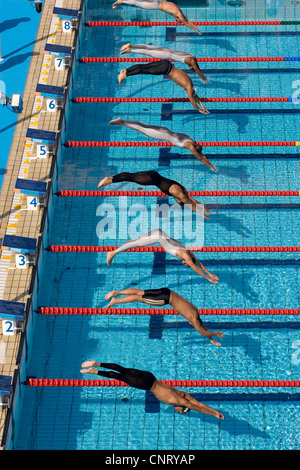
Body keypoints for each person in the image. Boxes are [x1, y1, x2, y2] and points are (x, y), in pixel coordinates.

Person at [80, 360, 224, 418]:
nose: (178, 412)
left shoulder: (182, 394)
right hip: (147, 385)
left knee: (122, 370)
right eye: (181, 412)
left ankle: (98, 363)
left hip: (151, 377)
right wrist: (213, 414)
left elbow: (197, 403)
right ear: (182, 408)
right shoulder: (179, 401)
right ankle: (95, 371)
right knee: (121, 377)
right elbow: (197, 407)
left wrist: (215, 411)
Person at [105, 287, 225, 346]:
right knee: (138, 298)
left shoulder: (195, 311)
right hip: (164, 299)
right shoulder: (193, 319)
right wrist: (215, 333)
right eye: (193, 326)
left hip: (166, 292)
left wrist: (212, 341)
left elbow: (202, 326)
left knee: (140, 292)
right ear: (194, 323)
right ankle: (115, 301)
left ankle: (117, 293)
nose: (190, 324)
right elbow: (203, 332)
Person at [103, 228, 219, 284]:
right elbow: (196, 268)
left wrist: (210, 273)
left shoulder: (189, 252)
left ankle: (114, 252)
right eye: (186, 264)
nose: (184, 263)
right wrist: (208, 278)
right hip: (157, 237)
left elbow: (199, 263)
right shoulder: (186, 256)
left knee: (136, 242)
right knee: (135, 243)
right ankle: (113, 252)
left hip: (159, 233)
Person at [109, 118, 216, 171]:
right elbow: (200, 158)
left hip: (165, 130)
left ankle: (123, 121)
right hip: (162, 134)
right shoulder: (190, 145)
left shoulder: (192, 140)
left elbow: (201, 155)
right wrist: (211, 166)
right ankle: (122, 122)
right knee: (142, 129)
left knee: (143, 126)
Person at [98, 171, 212, 218]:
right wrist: (203, 215)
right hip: (150, 179)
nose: (177, 201)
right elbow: (191, 204)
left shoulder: (184, 191)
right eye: (178, 201)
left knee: (131, 176)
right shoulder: (180, 195)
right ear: (180, 199)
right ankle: (109, 180)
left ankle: (110, 179)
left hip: (154, 175)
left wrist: (205, 209)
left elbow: (192, 199)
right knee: (130, 177)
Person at [117, 59, 210, 114]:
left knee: (144, 66)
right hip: (166, 69)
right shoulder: (188, 87)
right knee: (144, 70)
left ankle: (125, 71)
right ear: (190, 91)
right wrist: (199, 109)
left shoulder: (190, 83)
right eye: (189, 93)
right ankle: (126, 74)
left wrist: (202, 106)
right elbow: (193, 100)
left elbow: (196, 97)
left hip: (167, 63)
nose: (187, 93)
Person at [121, 43, 208, 83]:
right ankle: (131, 50)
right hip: (166, 54)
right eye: (191, 68)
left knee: (149, 47)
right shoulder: (192, 62)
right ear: (192, 67)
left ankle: (131, 45)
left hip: (167, 50)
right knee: (147, 52)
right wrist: (204, 79)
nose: (190, 68)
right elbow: (198, 71)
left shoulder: (191, 55)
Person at [112, 0, 202, 35]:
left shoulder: (178, 10)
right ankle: (121, 1)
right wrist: (196, 29)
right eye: (177, 21)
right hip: (156, 5)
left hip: (157, 2)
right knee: (137, 3)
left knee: (139, 1)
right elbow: (186, 23)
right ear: (179, 19)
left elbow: (187, 20)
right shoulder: (179, 15)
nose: (176, 20)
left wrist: (190, 23)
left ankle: (122, 2)